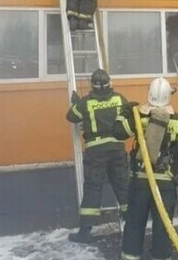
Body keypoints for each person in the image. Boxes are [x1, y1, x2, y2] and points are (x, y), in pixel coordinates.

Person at [114, 77, 178, 260]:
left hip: (140, 181)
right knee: (164, 226)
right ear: (169, 95)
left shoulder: (139, 116)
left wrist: (125, 112)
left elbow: (117, 132)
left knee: (134, 223)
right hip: (165, 184)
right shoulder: (177, 121)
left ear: (149, 93)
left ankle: (130, 257)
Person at [66, 68, 130, 243]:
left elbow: (71, 116)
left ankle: (85, 232)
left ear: (92, 86)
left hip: (95, 152)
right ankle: (133, 225)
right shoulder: (119, 99)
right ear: (110, 83)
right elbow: (129, 117)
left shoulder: (86, 103)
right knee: (123, 186)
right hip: (117, 149)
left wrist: (76, 103)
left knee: (93, 188)